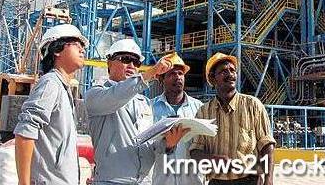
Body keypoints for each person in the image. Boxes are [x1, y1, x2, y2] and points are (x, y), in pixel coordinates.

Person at [85, 39, 187, 184]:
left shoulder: (144, 102)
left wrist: (168, 144)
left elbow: (148, 144)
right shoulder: (96, 95)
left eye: (136, 62)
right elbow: (118, 95)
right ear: (109, 63)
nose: (132, 66)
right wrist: (151, 72)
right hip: (112, 181)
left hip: (144, 182)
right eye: (126, 59)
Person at [14, 23, 87, 185]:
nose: (82, 49)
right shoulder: (50, 83)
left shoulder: (63, 88)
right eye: (76, 44)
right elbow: (25, 131)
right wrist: (24, 182)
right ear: (56, 50)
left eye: (82, 46)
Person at [189, 53, 275, 185]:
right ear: (212, 78)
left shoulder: (253, 105)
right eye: (224, 71)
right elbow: (195, 150)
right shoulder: (204, 112)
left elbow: (267, 145)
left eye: (232, 70)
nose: (230, 74)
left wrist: (269, 179)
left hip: (250, 180)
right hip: (217, 181)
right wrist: (212, 159)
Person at [151, 53, 203, 185]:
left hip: (192, 180)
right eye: (172, 74)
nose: (178, 77)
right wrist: (166, 145)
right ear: (161, 79)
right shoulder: (149, 108)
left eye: (180, 73)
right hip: (162, 180)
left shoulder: (199, 108)